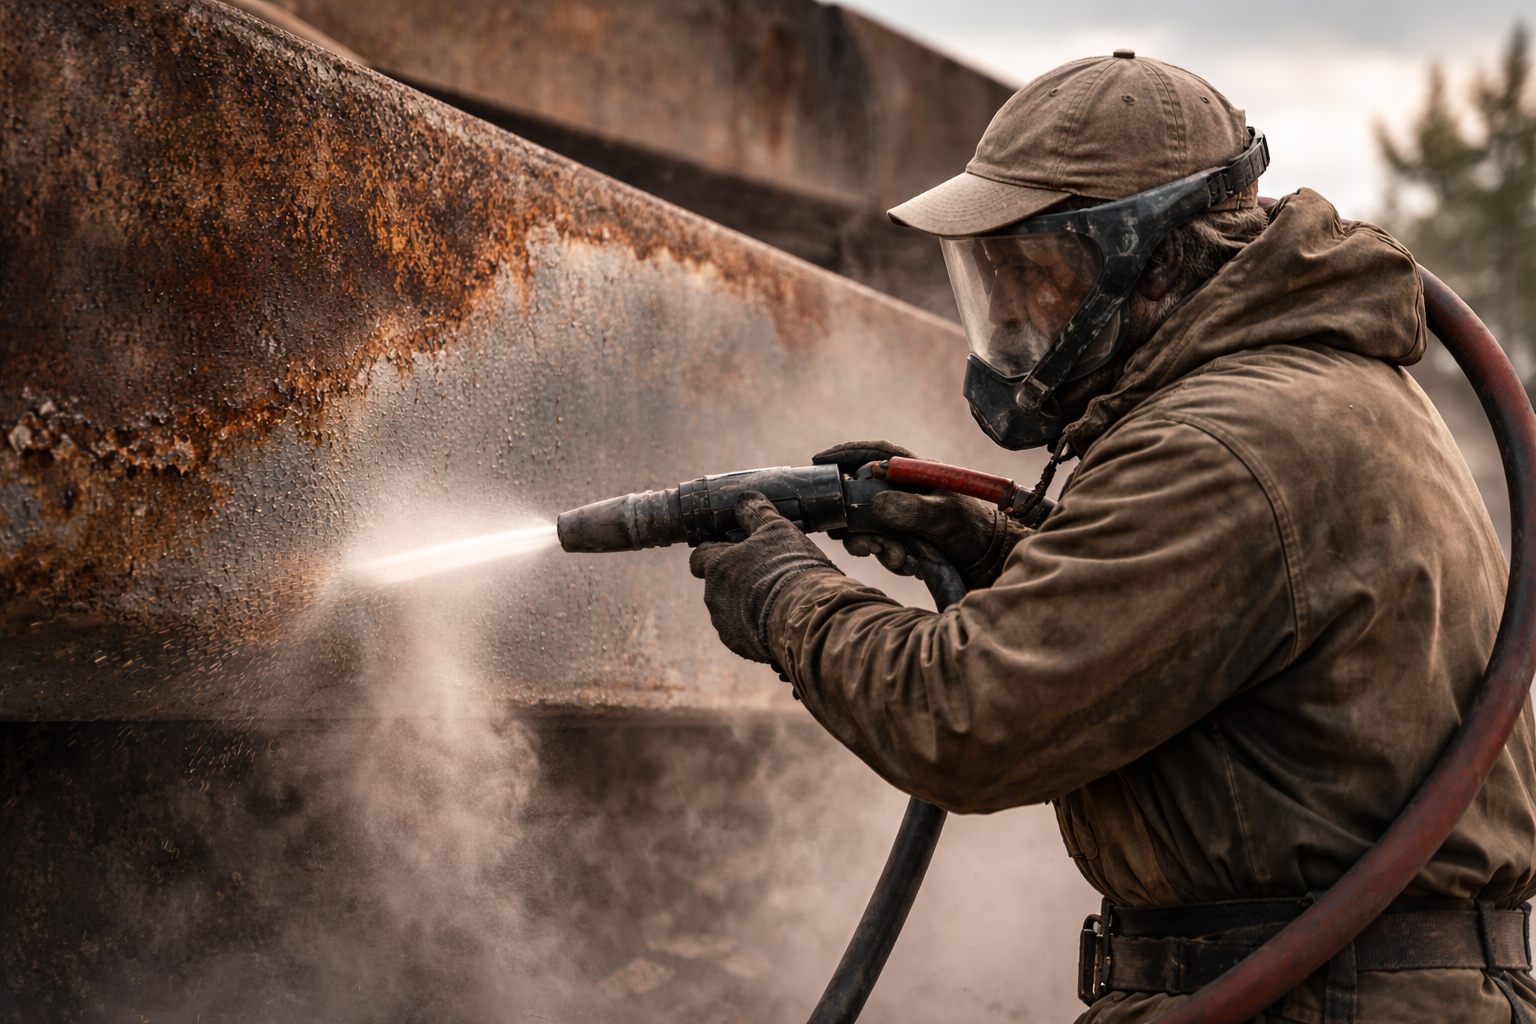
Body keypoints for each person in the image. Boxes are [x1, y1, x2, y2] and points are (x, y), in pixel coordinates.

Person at [689, 52, 1536, 1023]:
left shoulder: (1226, 442)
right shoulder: (1307, 398)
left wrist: (782, 593)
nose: (1005, 315)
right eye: (987, 276)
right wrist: (982, 549)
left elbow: (963, 718)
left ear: (1152, 258)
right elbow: (1206, 647)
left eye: (1033, 272)